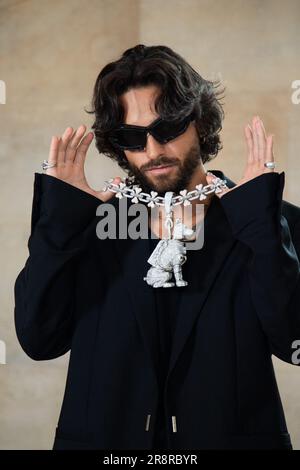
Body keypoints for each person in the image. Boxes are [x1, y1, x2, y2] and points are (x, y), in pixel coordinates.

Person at [14, 44, 300, 450]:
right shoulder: (87, 228)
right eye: (132, 137)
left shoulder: (268, 222)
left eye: (166, 129)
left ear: (198, 121)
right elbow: (38, 340)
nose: (152, 151)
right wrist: (60, 223)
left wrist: (260, 226)